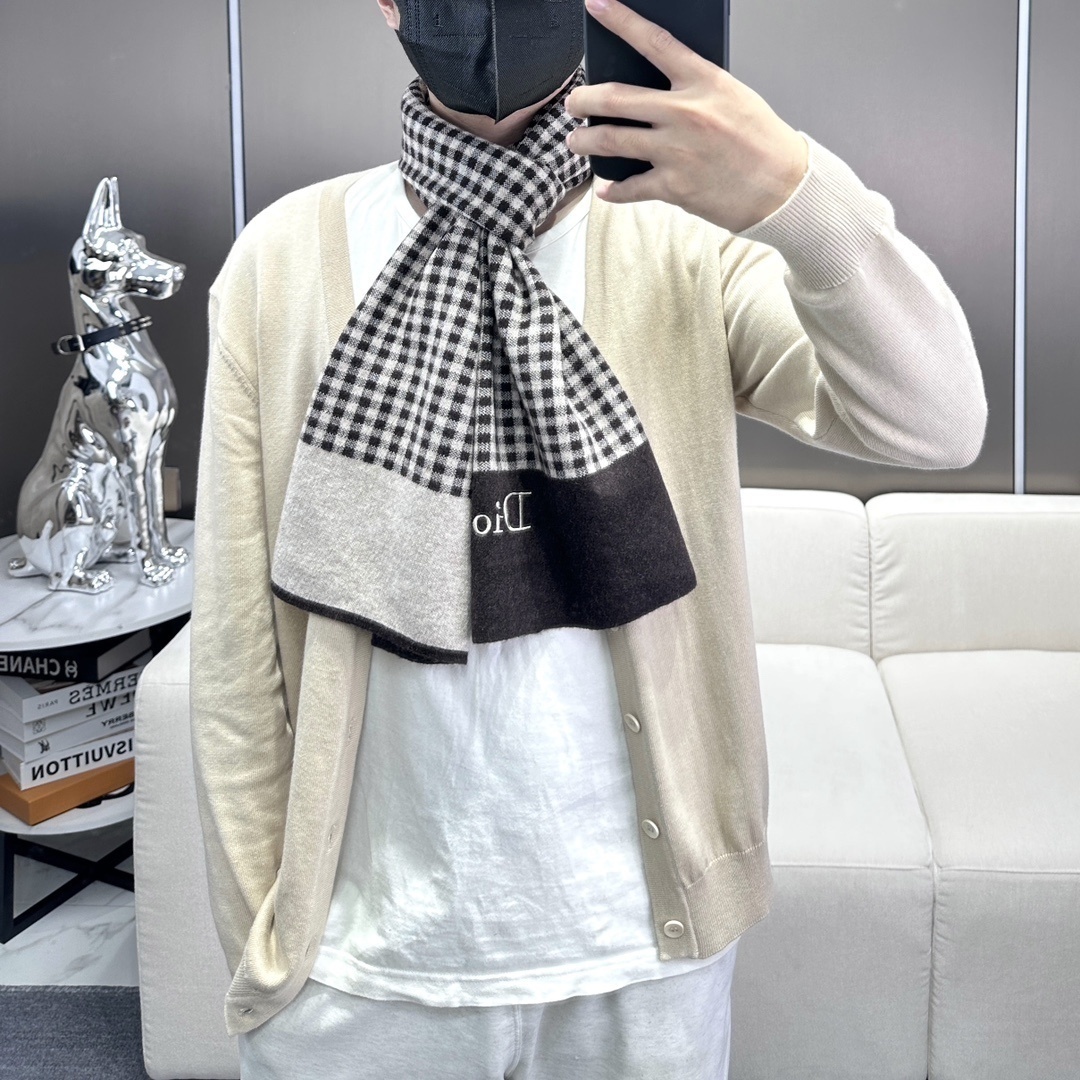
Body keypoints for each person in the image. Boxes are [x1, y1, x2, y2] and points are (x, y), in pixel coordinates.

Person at [188, 0, 988, 1077]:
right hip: (359, 973)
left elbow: (937, 424)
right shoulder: (283, 258)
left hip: (638, 959)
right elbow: (236, 653)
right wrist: (268, 946)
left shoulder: (682, 239)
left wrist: (797, 197)